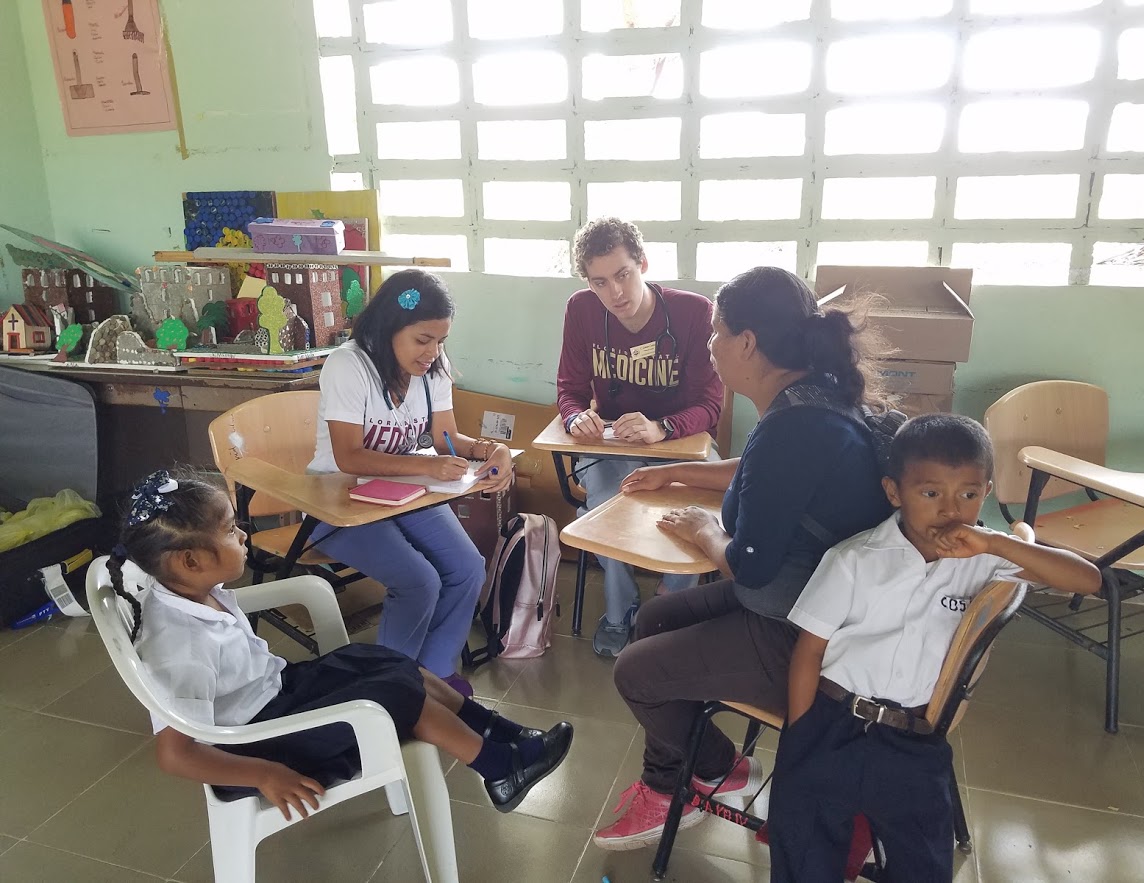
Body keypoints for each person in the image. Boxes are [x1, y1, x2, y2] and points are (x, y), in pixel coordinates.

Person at [593, 265, 894, 849]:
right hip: (826, 604)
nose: (710, 347)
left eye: (716, 333)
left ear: (748, 343)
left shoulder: (794, 425)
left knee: (635, 671)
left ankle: (700, 773)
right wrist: (676, 472)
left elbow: (751, 565)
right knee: (653, 620)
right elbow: (767, 473)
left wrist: (707, 532)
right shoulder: (815, 399)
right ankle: (688, 778)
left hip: (812, 639)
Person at [107, 470, 574, 820]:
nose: (243, 534)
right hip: (258, 745)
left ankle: (502, 734)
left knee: (384, 659)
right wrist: (264, 775)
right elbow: (175, 753)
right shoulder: (177, 644)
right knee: (390, 695)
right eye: (230, 529)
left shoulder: (193, 590)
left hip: (279, 693)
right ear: (191, 560)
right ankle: (499, 768)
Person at [769, 414, 1101, 882]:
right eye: (930, 493)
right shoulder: (853, 559)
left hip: (914, 737)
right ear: (894, 492)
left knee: (925, 864)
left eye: (968, 494)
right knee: (803, 853)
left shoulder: (986, 562)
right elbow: (809, 653)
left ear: (986, 491)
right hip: (831, 722)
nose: (950, 510)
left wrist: (997, 544)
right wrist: (799, 738)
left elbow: (1089, 580)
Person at [307, 269, 515, 697]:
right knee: (418, 581)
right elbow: (348, 457)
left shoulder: (432, 370)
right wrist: (428, 467)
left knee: (467, 568)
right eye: (423, 340)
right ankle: (393, 690)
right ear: (389, 328)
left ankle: (433, 675)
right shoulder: (349, 365)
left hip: (404, 494)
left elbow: (446, 439)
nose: (432, 353)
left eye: (440, 341)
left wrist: (492, 450)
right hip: (338, 501)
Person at [556, 217, 724, 657]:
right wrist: (576, 419)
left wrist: (662, 428)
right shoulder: (580, 310)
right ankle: (620, 609)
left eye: (623, 274)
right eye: (600, 282)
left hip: (679, 446)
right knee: (608, 502)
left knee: (690, 505)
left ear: (643, 263)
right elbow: (569, 391)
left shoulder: (693, 312)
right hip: (613, 447)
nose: (615, 293)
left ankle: (671, 604)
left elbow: (712, 404)